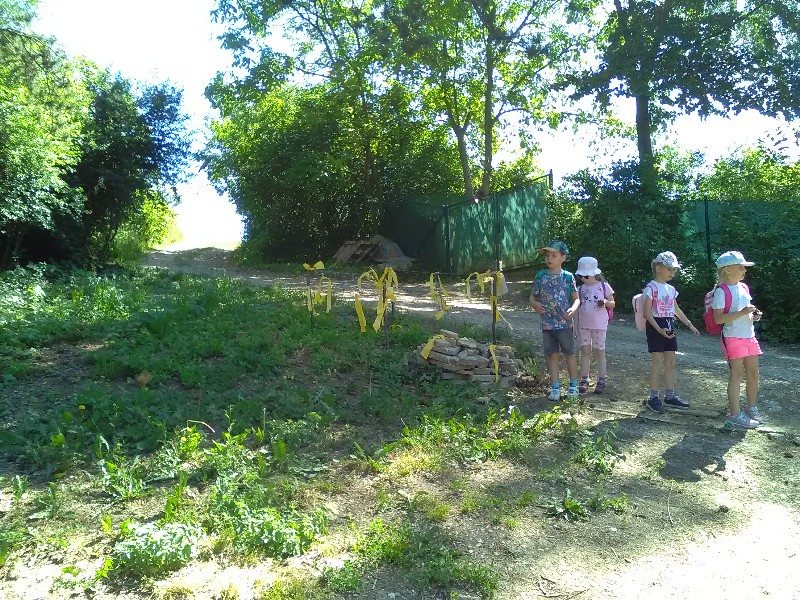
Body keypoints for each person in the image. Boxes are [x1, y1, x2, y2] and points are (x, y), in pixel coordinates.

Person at [712, 251, 764, 430]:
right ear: (727, 270)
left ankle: (751, 408)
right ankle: (734, 415)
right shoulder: (721, 292)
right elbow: (718, 319)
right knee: (737, 374)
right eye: (741, 267)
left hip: (749, 335)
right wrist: (743, 312)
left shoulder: (744, 288)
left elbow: (747, 311)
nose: (744, 270)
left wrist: (754, 316)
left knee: (754, 373)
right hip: (733, 337)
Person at [643, 251, 700, 412]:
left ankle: (670, 395)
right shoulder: (651, 288)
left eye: (674, 270)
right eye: (669, 269)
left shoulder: (671, 289)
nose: (672, 273)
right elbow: (647, 313)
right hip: (656, 326)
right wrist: (658, 329)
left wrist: (689, 324)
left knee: (670, 362)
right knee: (657, 362)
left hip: (669, 325)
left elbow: (675, 309)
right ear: (658, 268)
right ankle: (653, 397)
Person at [530, 240, 580, 401]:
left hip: (564, 323)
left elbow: (576, 299)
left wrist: (573, 310)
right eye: (547, 256)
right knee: (552, 354)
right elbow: (532, 297)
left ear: (563, 258)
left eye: (554, 255)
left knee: (569, 353)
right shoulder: (540, 276)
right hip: (547, 323)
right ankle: (555, 388)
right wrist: (535, 305)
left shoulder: (568, 277)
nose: (549, 259)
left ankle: (573, 386)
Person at [575, 256, 615, 394]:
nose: (583, 278)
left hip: (599, 325)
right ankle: (584, 378)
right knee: (585, 351)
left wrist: (605, 302)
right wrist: (575, 324)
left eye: (585, 276)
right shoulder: (580, 289)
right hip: (583, 325)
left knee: (599, 352)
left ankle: (601, 379)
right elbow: (577, 307)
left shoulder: (603, 286)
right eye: (581, 276)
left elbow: (612, 303)